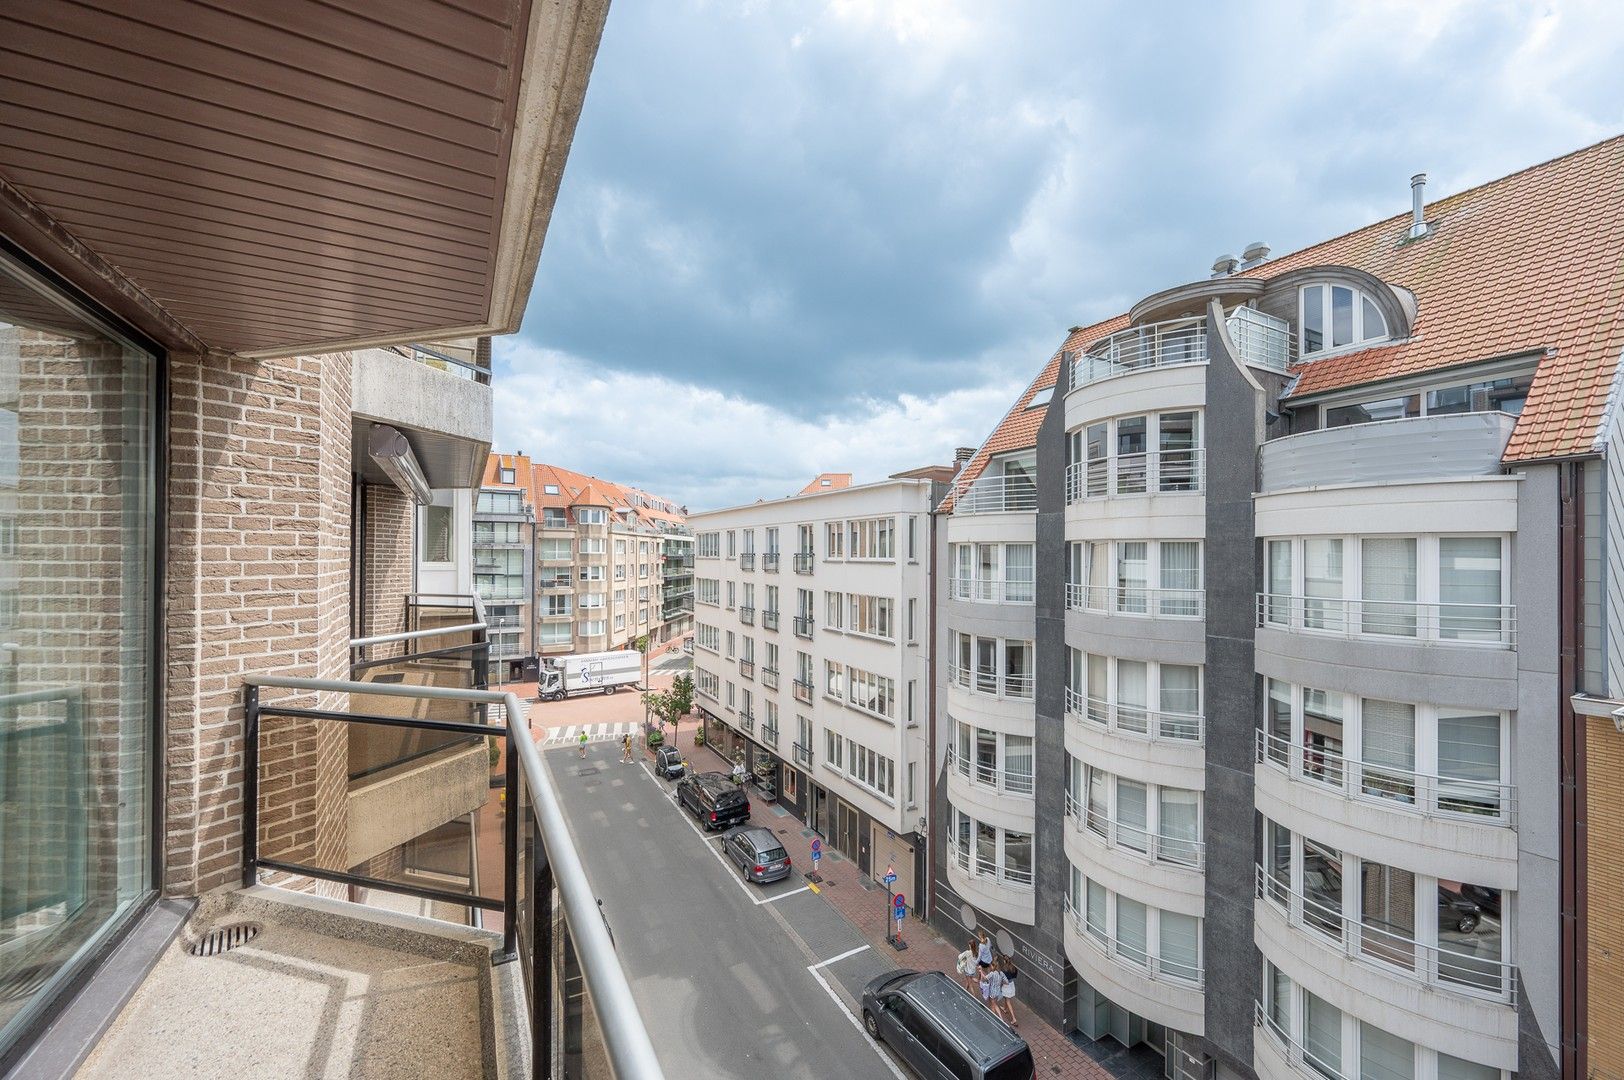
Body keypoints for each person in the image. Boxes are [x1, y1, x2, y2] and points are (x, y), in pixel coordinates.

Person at [998, 957, 1019, 1026]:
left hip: (1006, 986)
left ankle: (1013, 1018)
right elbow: (1015, 976)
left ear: (1004, 961)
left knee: (1008, 1001)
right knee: (1007, 998)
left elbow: (1002, 980)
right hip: (1012, 984)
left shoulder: (1004, 970)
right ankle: (1005, 1008)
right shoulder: (1014, 968)